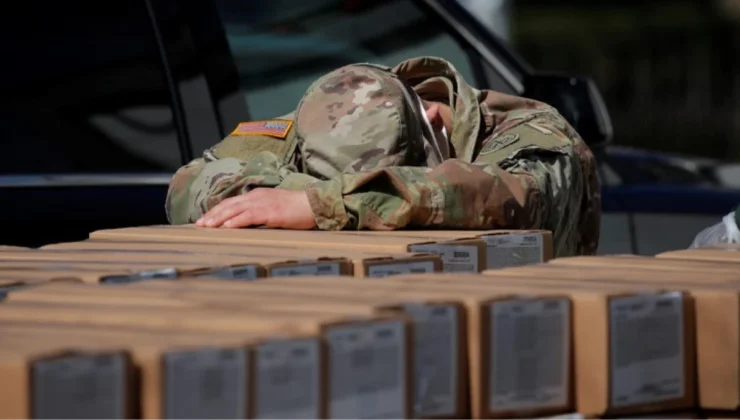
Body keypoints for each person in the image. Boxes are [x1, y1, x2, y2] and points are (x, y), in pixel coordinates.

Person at [165, 57, 601, 257]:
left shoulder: (533, 135)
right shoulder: (336, 117)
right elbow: (188, 183)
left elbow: (515, 201)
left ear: (434, 123)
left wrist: (319, 205)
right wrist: (311, 197)